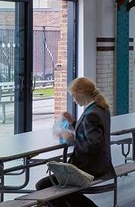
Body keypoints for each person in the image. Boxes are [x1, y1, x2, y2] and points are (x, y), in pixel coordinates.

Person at [35, 77, 113, 207]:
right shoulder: (100, 108)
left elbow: (92, 145)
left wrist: (72, 139)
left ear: (81, 93)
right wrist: (73, 123)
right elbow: (91, 134)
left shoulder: (91, 114)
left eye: (73, 96)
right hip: (101, 165)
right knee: (63, 189)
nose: (73, 99)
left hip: (89, 168)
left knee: (43, 186)